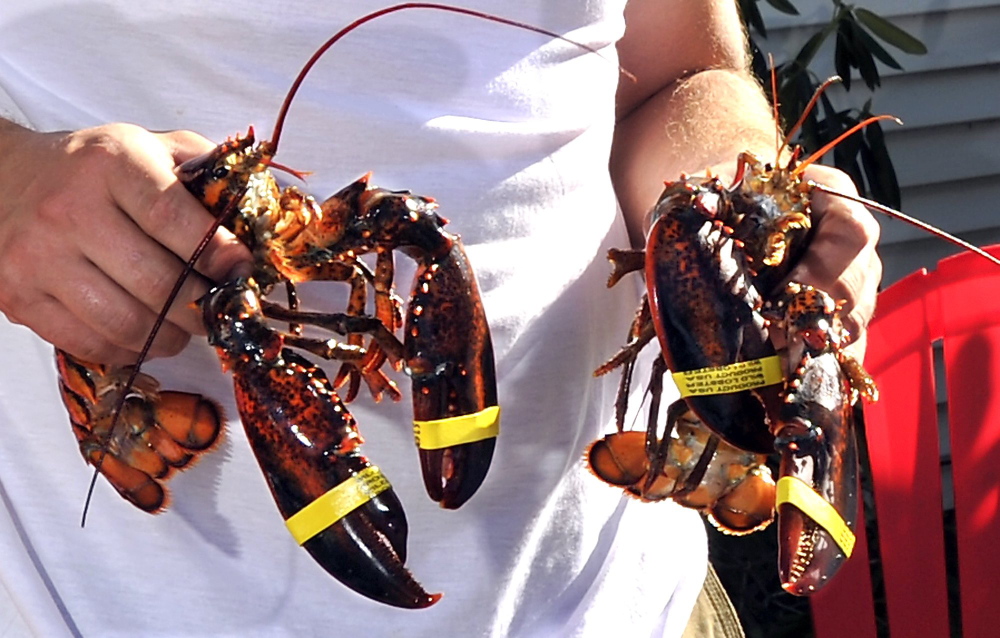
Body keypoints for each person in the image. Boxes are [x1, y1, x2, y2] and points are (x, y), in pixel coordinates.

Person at [0, 1, 880, 636]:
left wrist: (733, 211)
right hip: (97, 606)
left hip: (622, 597)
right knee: (241, 315)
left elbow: (682, 71)